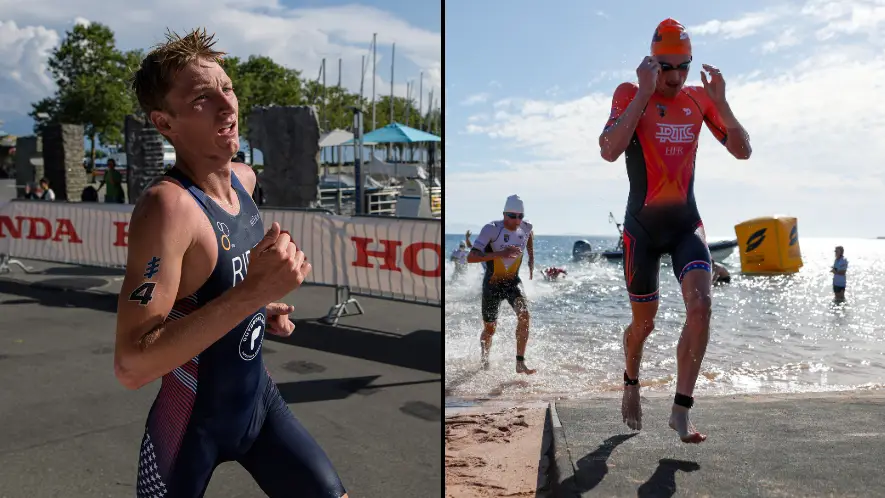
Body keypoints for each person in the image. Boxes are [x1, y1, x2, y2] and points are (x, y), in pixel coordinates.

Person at [114, 28, 347, 497]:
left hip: (259, 404)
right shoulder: (168, 208)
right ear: (165, 123)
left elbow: (211, 292)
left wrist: (257, 310)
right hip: (190, 423)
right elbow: (132, 365)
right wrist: (253, 294)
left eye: (227, 87)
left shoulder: (244, 178)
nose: (227, 105)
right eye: (203, 97)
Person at [598, 18, 752, 444]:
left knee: (701, 306)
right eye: (666, 67)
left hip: (687, 224)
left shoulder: (699, 101)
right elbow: (609, 150)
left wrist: (724, 104)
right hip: (642, 230)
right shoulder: (630, 94)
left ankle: (681, 410)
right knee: (643, 326)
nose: (675, 76)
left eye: (683, 66)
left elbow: (743, 151)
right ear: (651, 63)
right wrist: (644, 93)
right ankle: (631, 381)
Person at [467, 195, 536, 375]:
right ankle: (484, 362)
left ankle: (520, 362)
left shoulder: (526, 226)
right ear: (504, 214)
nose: (516, 221)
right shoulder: (491, 229)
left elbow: (529, 235)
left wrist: (531, 259)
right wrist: (501, 253)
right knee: (490, 329)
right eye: (512, 216)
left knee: (524, 315)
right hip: (492, 284)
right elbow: (471, 257)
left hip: (512, 282)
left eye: (519, 216)